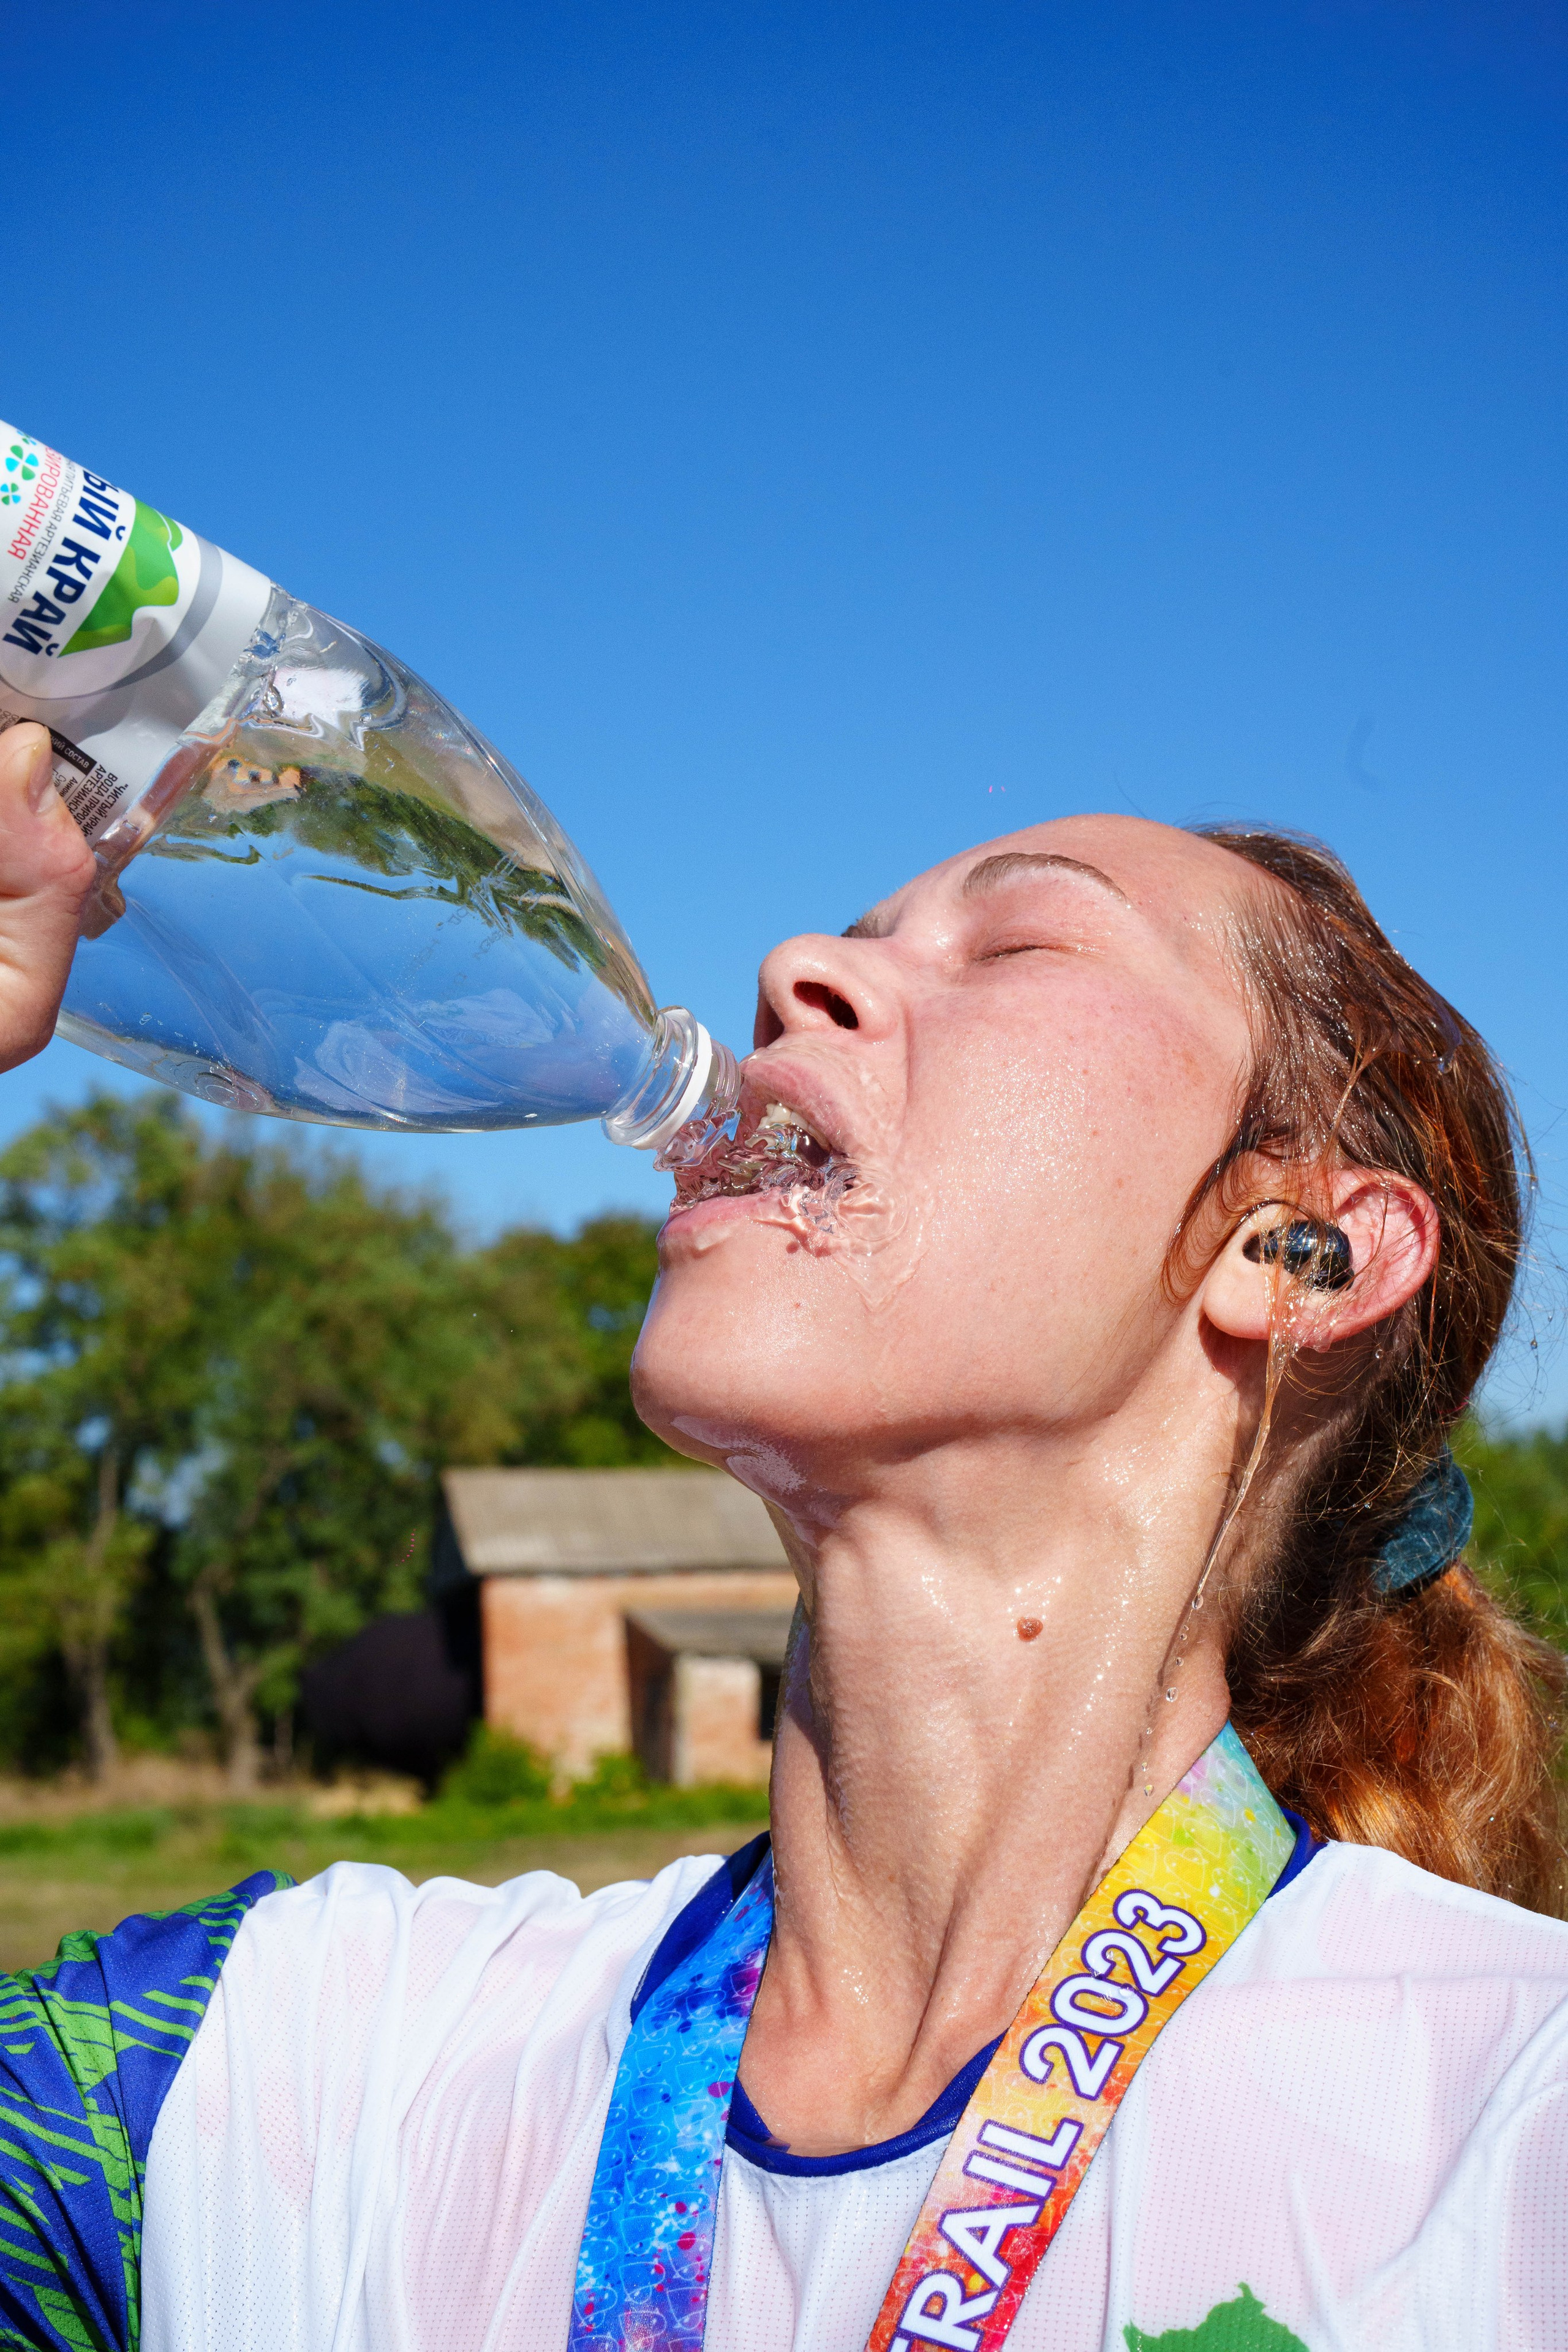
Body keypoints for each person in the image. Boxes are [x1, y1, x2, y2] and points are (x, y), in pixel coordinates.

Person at [0, 710, 1562, 2352]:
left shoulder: (1507, 2142)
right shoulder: (291, 2072)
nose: (792, 965)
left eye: (1020, 940)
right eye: (853, 933)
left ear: (1298, 1251)